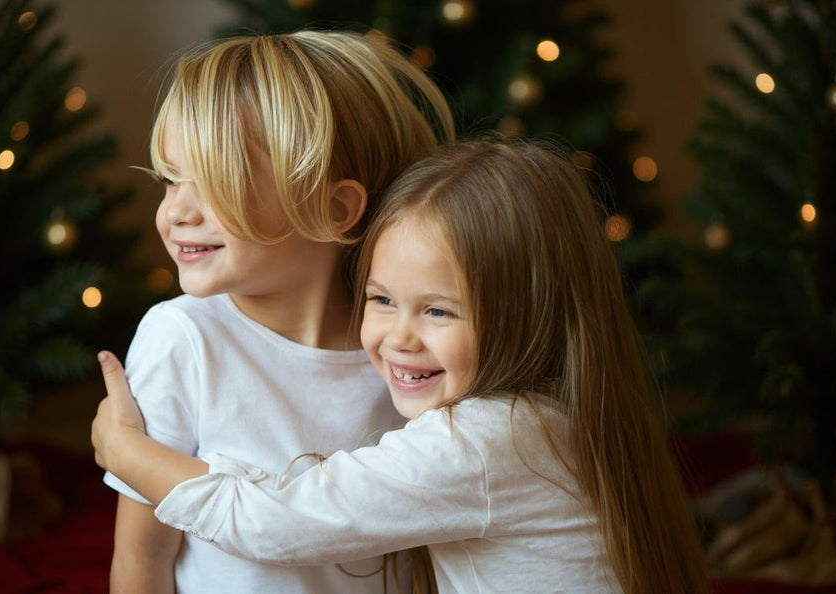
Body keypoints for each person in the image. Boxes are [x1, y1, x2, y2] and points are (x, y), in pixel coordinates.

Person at [95, 139, 710, 593]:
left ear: (531, 313)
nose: (398, 338)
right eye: (382, 300)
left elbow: (274, 524)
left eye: (439, 312)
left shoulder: (484, 441)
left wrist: (126, 453)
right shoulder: (558, 414)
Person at [103, 31, 454, 593]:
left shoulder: (407, 350)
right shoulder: (183, 338)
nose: (176, 212)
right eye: (171, 180)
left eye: (217, 180)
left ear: (336, 209)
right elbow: (141, 561)